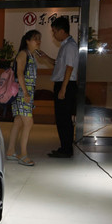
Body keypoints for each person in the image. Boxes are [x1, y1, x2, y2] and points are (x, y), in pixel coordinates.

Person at [37, 16, 79, 158]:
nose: (54, 35)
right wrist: (46, 57)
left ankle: (66, 149)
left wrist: (63, 89)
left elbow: (69, 68)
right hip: (63, 84)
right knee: (61, 118)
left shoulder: (70, 46)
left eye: (54, 31)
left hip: (66, 85)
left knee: (64, 119)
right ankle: (64, 147)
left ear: (62, 31)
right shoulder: (65, 45)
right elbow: (59, 64)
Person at [6, 30, 42, 166]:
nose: (38, 41)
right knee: (28, 122)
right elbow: (20, 74)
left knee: (18, 122)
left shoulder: (31, 55)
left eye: (39, 39)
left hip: (25, 93)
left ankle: (10, 151)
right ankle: (23, 154)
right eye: (35, 39)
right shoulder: (23, 54)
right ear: (27, 41)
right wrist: (26, 93)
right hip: (22, 93)